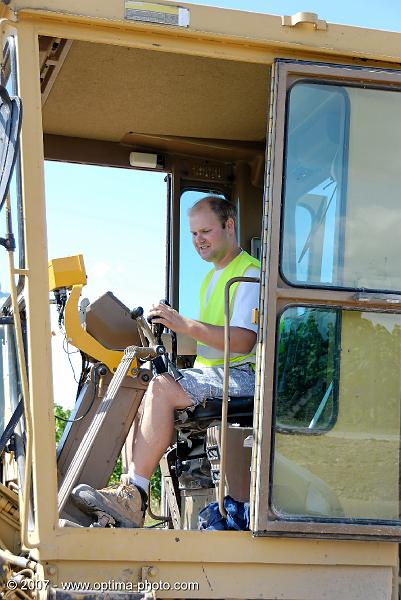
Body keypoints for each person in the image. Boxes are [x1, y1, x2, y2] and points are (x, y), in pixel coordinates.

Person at [72, 196, 261, 527]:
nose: (198, 240)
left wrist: (183, 324)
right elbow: (211, 337)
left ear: (229, 226)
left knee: (161, 387)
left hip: (243, 375)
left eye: (206, 231)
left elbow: (244, 340)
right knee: (140, 385)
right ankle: (128, 490)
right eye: (193, 234)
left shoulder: (249, 273)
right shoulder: (212, 277)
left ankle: (135, 496)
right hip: (215, 372)